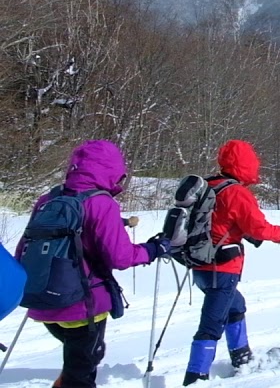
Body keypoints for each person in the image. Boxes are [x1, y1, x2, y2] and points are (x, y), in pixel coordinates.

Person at [15, 140, 169, 388]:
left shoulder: (48, 198)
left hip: (41, 300)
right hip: (83, 304)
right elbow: (120, 257)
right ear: (113, 170)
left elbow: (23, 247)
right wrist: (152, 250)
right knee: (82, 373)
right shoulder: (101, 202)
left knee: (81, 362)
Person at [182, 139, 280, 385]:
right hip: (223, 268)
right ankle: (195, 377)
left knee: (236, 305)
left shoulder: (210, 185)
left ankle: (242, 357)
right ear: (247, 165)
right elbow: (259, 228)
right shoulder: (236, 192)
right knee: (211, 324)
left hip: (200, 266)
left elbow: (223, 223)